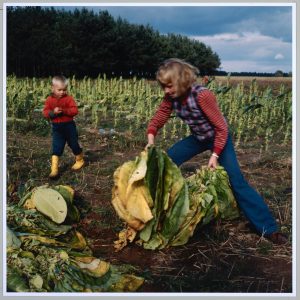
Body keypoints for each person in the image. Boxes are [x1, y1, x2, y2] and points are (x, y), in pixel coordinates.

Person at [146, 58, 287, 245]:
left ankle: (268, 228)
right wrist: (150, 138)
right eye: (163, 87)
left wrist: (215, 155)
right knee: (167, 162)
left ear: (181, 81)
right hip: (198, 138)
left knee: (236, 180)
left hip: (220, 138)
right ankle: (155, 211)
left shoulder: (203, 96)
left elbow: (221, 128)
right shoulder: (171, 97)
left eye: (169, 86)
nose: (166, 91)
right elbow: (160, 116)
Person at [43, 75, 84, 178]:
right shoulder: (49, 100)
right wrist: (53, 112)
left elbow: (75, 110)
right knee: (57, 147)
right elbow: (45, 113)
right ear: (53, 88)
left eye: (64, 90)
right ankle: (54, 169)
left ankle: (80, 160)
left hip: (69, 127)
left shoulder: (69, 99)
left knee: (74, 144)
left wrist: (64, 111)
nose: (62, 92)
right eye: (59, 90)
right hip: (57, 128)